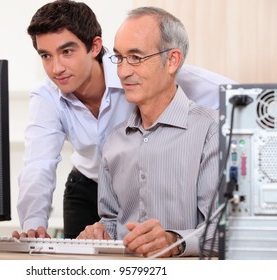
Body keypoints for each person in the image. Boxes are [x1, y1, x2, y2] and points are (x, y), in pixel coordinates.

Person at [14, 0, 231, 240]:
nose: (56, 69)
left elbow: (222, 93)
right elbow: (38, 164)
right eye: (45, 55)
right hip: (88, 182)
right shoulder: (48, 97)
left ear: (95, 47)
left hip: (142, 178)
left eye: (67, 52)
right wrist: (33, 226)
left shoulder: (139, 72)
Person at [77, 7, 219, 258]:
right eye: (119, 57)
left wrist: (175, 240)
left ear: (172, 60)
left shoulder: (211, 130)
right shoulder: (115, 140)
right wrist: (99, 231)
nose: (122, 72)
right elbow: (112, 221)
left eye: (136, 57)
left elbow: (223, 228)